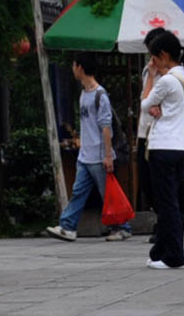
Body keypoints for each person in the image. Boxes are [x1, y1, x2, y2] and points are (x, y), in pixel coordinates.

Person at [46, 52, 132, 243]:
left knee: (107, 194)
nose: (73, 69)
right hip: (86, 155)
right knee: (78, 191)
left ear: (80, 68)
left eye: (74, 65)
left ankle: (122, 226)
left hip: (99, 155)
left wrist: (108, 155)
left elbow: (106, 127)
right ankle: (68, 226)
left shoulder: (100, 96)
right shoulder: (84, 94)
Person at [140, 30, 184, 269]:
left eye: (154, 58)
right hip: (180, 144)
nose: (152, 63)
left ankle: (174, 255)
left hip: (163, 145)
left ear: (163, 55)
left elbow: (144, 104)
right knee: (170, 201)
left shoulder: (167, 80)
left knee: (166, 203)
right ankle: (159, 251)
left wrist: (151, 76)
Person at [136, 27, 167, 224]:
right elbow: (144, 101)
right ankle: (159, 218)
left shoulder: (172, 75)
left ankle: (164, 223)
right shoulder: (148, 71)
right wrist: (150, 77)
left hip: (162, 134)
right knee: (145, 179)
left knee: (160, 182)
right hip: (144, 131)